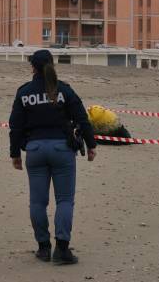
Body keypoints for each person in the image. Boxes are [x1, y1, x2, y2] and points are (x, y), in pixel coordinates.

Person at [9, 50, 97, 265]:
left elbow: (15, 126)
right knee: (64, 200)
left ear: (32, 67)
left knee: (37, 202)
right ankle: (62, 249)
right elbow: (82, 119)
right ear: (52, 65)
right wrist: (91, 145)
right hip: (61, 149)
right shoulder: (64, 90)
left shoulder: (24, 92)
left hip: (35, 149)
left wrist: (15, 154)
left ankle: (43, 248)